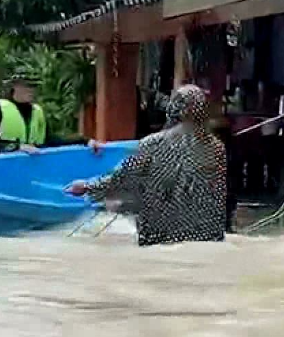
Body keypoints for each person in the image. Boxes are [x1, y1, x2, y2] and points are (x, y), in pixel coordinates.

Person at [66, 84, 227, 247]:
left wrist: (87, 186)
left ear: (173, 109)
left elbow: (121, 178)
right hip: (207, 236)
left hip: (161, 237)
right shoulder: (217, 149)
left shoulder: (152, 144)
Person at [0, 73, 48, 153]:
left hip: (34, 159)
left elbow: (49, 140)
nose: (31, 90)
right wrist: (16, 147)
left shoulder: (38, 111)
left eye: (34, 86)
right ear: (15, 86)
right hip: (4, 159)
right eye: (27, 86)